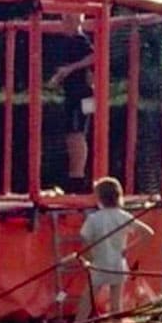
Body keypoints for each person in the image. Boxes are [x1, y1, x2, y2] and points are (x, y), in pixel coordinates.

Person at [58, 177, 155, 323]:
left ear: (99, 197)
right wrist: (128, 248)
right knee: (116, 307)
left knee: (85, 307)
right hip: (117, 265)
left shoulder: (94, 219)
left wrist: (86, 260)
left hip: (99, 266)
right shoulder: (123, 216)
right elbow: (148, 232)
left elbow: (86, 244)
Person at [47, 15, 97, 194]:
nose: (63, 24)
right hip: (77, 94)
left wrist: (69, 69)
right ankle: (75, 176)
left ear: (78, 22)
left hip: (83, 94)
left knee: (77, 133)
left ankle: (78, 178)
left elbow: (95, 56)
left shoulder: (80, 40)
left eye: (68, 19)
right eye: (63, 19)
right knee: (73, 134)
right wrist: (59, 77)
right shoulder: (69, 42)